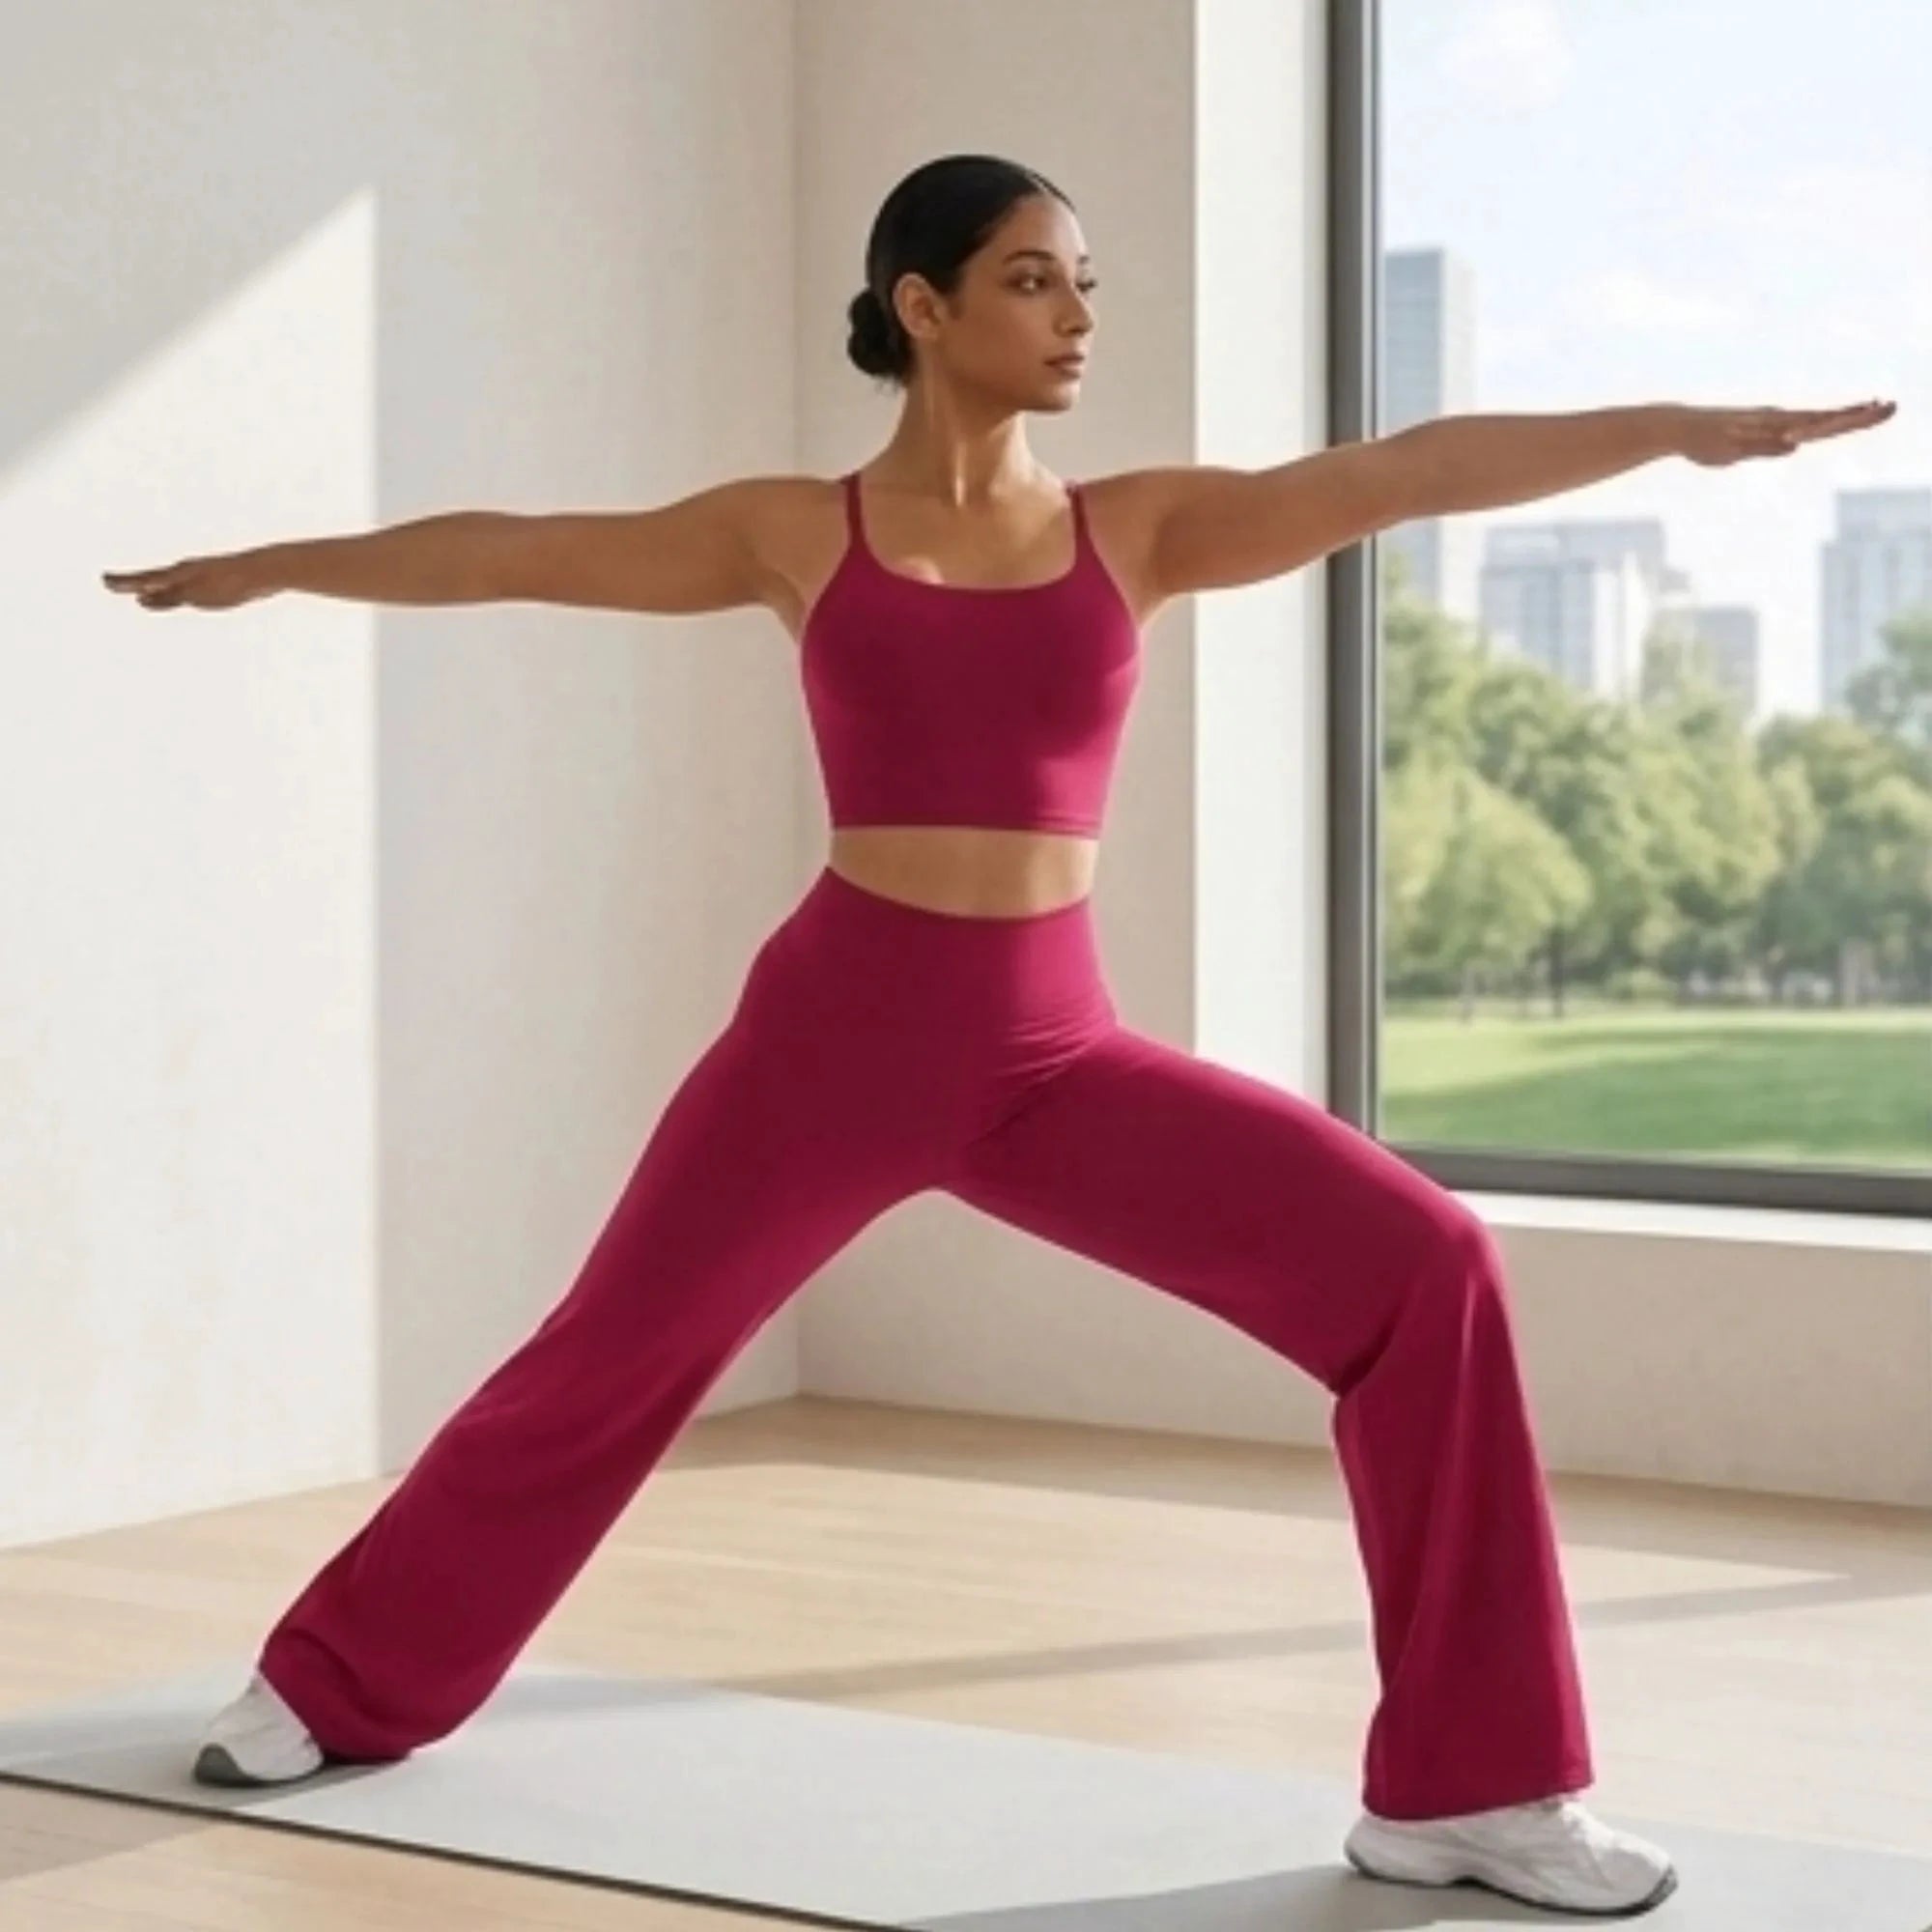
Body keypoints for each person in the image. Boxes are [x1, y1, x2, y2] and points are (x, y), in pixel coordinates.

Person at [102, 146, 1891, 1918]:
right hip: (830, 1037)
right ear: (923, 306)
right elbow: (519, 553)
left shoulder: (1143, 527)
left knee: (1428, 1268)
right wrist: (275, 563)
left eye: (1085, 281)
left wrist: (1675, 424)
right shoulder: (801, 530)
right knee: (606, 1361)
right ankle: (336, 1688)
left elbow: (1408, 469)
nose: (1078, 315)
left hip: (1056, 1057)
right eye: (1036, 278)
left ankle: (1473, 1790)